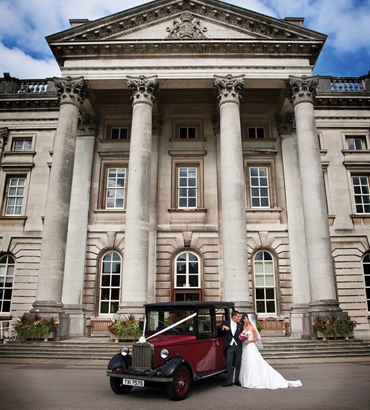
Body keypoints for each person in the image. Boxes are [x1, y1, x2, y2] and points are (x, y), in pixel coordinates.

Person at [238, 313, 302, 389]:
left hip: (250, 346)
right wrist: (242, 339)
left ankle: (252, 380)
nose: (244, 320)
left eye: (245, 318)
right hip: (245, 347)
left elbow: (256, 338)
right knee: (245, 362)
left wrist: (249, 341)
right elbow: (242, 335)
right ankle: (245, 379)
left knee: (252, 362)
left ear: (249, 320)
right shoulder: (244, 327)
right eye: (244, 318)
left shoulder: (252, 328)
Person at [218, 310, 243, 387]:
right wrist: (223, 327)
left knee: (238, 363)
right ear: (234, 316)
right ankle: (229, 381)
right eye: (238, 316)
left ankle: (236, 380)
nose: (239, 318)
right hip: (229, 346)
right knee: (229, 362)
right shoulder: (226, 323)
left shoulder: (239, 325)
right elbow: (218, 327)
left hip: (237, 345)